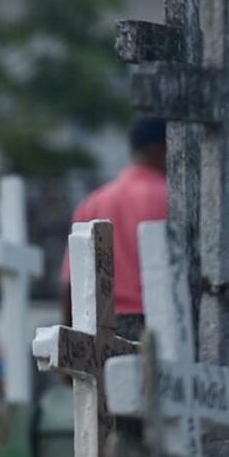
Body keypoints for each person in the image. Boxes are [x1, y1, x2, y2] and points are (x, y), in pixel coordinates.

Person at [61, 118, 168, 340]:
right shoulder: (171, 198)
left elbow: (72, 283)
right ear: (160, 149)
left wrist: (69, 346)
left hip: (103, 332)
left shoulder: (93, 202)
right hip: (161, 325)